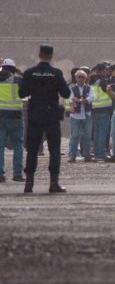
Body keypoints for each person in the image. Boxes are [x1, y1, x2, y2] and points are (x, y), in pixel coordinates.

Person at [18, 45, 71, 193]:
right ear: (51, 56)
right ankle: (54, 183)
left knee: (32, 150)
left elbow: (22, 93)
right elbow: (66, 94)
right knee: (54, 150)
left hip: (35, 114)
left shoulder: (30, 73)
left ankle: (29, 183)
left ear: (39, 54)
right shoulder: (56, 73)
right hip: (51, 115)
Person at [0, 58, 25, 182]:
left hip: (0, 116)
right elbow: (31, 83)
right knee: (18, 145)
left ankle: (0, 175)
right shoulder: (17, 80)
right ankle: (17, 174)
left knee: (0, 146)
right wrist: (21, 73)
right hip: (15, 116)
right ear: (13, 69)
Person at [67, 69, 94, 163]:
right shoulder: (72, 89)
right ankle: (72, 156)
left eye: (83, 77)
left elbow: (91, 97)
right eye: (79, 77)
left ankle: (87, 156)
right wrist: (74, 101)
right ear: (75, 78)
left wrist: (84, 100)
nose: (81, 79)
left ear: (85, 78)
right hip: (76, 116)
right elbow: (70, 98)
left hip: (87, 115)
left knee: (87, 136)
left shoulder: (90, 88)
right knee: (74, 136)